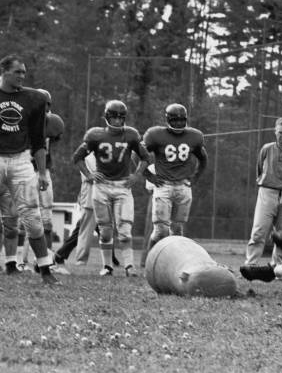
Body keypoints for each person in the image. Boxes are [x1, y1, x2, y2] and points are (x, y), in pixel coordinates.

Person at [73, 99, 149, 276]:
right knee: (105, 230)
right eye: (114, 117)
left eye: (121, 117)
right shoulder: (95, 135)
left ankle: (129, 266)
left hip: (123, 186)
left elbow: (145, 157)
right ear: (107, 117)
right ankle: (107, 266)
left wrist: (137, 175)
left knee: (124, 229)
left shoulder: (131, 134)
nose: (117, 121)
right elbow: (77, 157)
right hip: (102, 186)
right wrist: (89, 175)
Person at [0, 54, 59, 284]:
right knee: (9, 218)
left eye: (24, 72)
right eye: (18, 72)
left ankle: (45, 269)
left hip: (21, 160)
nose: (23, 76)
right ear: (4, 71)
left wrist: (42, 172)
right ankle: (10, 262)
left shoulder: (33, 99)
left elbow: (37, 141)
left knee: (32, 216)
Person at [141, 103, 207, 262]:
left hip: (183, 186)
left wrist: (196, 177)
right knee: (160, 231)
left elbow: (203, 158)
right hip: (163, 185)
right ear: (167, 120)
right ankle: (150, 263)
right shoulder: (155, 134)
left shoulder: (194, 136)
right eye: (174, 120)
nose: (178, 123)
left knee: (177, 230)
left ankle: (174, 264)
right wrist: (148, 175)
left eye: (181, 120)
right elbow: (138, 153)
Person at [245, 117, 282, 266]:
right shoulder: (267, 149)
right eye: (280, 132)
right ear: (275, 132)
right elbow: (259, 167)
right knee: (259, 230)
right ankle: (250, 265)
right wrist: (263, 181)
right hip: (267, 192)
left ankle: (278, 267)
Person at [19, 89, 65, 270]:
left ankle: (46, 262)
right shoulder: (21, 119)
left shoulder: (53, 122)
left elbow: (53, 141)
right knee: (21, 219)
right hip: (23, 172)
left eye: (44, 104)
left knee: (46, 220)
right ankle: (18, 261)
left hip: (43, 172)